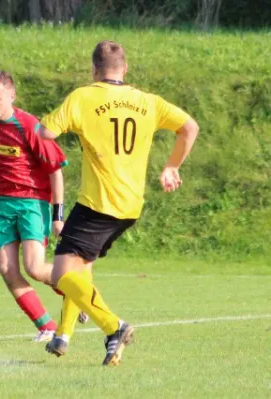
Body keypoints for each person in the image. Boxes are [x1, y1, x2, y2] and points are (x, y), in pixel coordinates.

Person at [38, 41, 199, 365]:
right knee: (79, 267)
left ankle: (114, 327)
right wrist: (172, 166)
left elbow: (45, 133)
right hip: (129, 206)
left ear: (93, 70)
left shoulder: (84, 96)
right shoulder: (147, 102)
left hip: (98, 203)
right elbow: (189, 127)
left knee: (60, 273)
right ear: (125, 69)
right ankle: (64, 336)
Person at [0, 70, 69, 342]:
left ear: (12, 96)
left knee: (35, 268)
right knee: (6, 269)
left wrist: (58, 216)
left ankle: (75, 290)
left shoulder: (30, 126)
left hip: (31, 202)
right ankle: (47, 327)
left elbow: (56, 170)